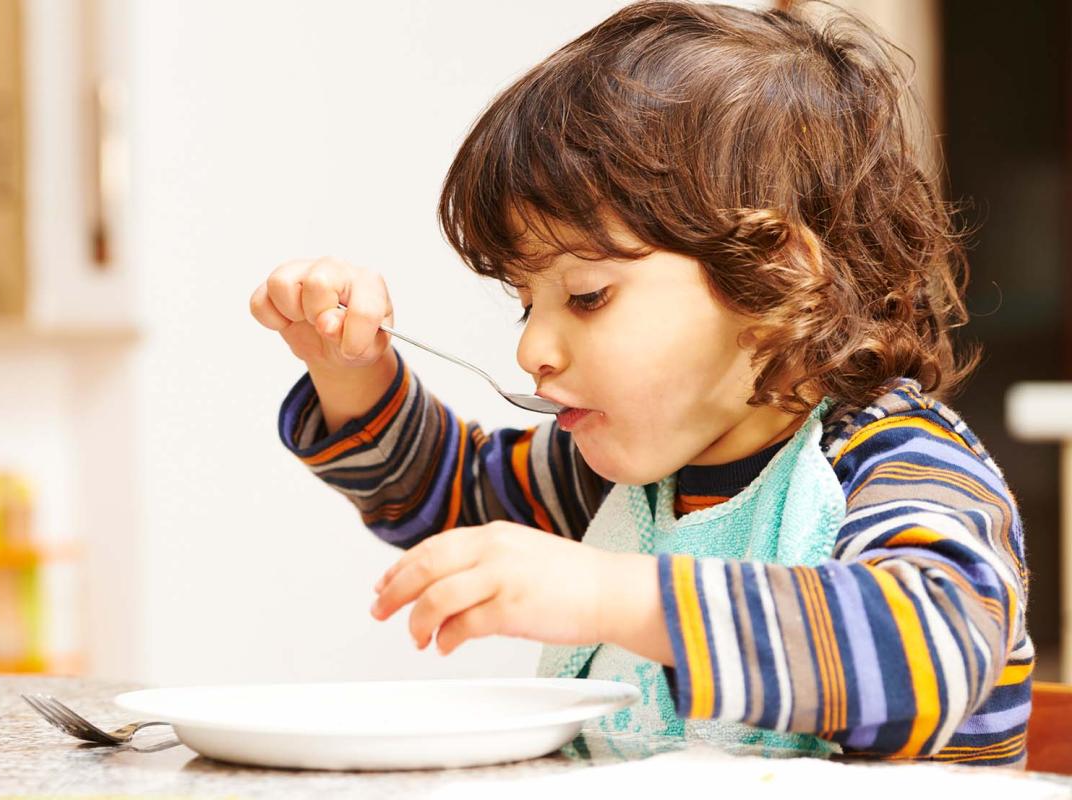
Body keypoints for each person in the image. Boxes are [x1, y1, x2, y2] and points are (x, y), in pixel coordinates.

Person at [250, 1, 1030, 767]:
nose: (533, 348)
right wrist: (352, 369)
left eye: (587, 295)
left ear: (776, 276)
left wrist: (613, 597)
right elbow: (440, 495)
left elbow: (931, 645)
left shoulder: (895, 462)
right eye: (528, 303)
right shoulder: (609, 474)